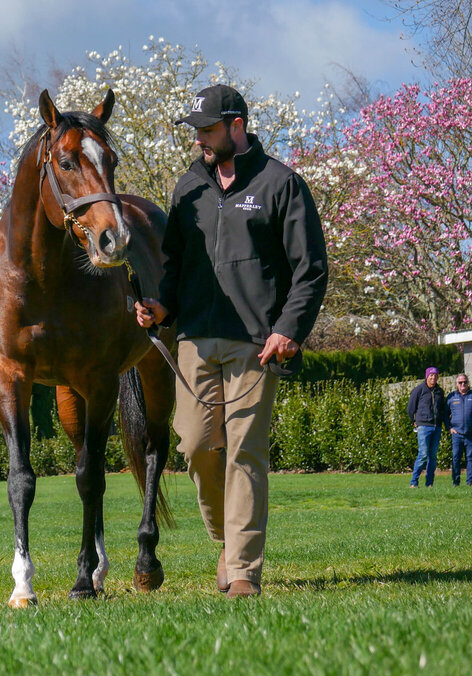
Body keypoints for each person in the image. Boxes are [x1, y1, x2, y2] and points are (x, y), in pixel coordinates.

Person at [134, 84, 328, 599]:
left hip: (256, 342)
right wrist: (161, 307)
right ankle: (226, 544)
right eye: (196, 130)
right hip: (195, 338)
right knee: (197, 447)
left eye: (207, 129)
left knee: (245, 451)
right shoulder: (187, 190)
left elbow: (310, 270)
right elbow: (174, 267)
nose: (199, 138)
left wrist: (288, 329)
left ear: (236, 125)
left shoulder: (280, 184)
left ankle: (243, 570)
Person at [408, 367, 447, 487]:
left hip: (436, 427)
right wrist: (414, 421)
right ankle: (414, 482)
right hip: (424, 427)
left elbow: (442, 409)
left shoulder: (439, 391)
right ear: (427, 376)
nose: (433, 378)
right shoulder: (419, 390)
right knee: (423, 454)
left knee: (433, 457)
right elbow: (410, 408)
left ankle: (429, 483)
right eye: (431, 375)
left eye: (435, 375)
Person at [446, 373, 471, 486]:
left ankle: (470, 482)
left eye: (465, 382)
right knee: (456, 458)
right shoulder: (451, 397)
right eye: (460, 382)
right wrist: (449, 428)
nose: (462, 384)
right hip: (456, 434)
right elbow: (445, 415)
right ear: (456, 384)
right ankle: (456, 482)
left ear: (468, 383)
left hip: (470, 434)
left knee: (470, 458)